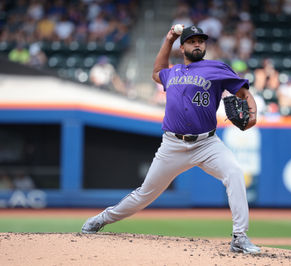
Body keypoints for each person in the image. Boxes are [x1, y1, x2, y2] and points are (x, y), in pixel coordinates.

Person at [81, 25, 260, 254]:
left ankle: (239, 237)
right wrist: (168, 39)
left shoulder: (216, 68)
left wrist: (253, 116)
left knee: (234, 173)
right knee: (145, 194)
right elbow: (156, 72)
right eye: (192, 41)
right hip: (172, 145)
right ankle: (101, 219)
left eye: (201, 41)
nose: (198, 44)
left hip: (207, 144)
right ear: (183, 47)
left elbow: (244, 93)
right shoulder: (172, 72)